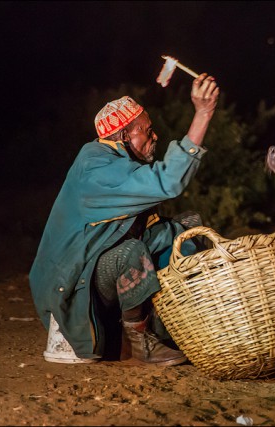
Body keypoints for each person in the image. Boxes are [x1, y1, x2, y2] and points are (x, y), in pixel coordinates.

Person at [29, 73, 220, 367]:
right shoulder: (97, 168)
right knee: (131, 254)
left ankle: (184, 323)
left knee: (184, 228)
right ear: (123, 136)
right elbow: (168, 181)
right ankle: (139, 342)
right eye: (147, 130)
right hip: (71, 289)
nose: (154, 136)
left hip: (92, 269)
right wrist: (203, 113)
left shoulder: (116, 162)